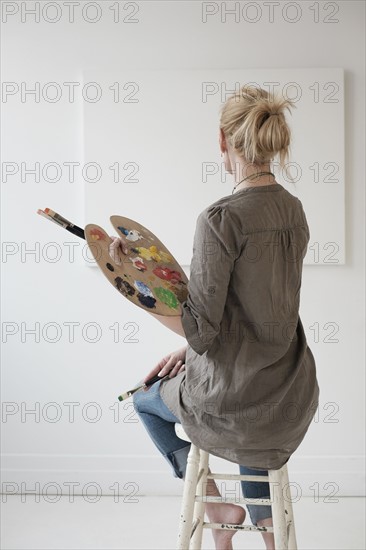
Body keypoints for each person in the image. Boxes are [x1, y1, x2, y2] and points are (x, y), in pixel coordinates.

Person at [109, 85, 320, 550]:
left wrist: (131, 283)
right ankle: (269, 537)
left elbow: (203, 332)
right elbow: (253, 308)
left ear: (223, 141)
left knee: (144, 401)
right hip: (289, 391)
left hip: (234, 400)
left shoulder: (221, 219)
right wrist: (187, 347)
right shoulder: (294, 210)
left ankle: (217, 509)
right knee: (248, 422)